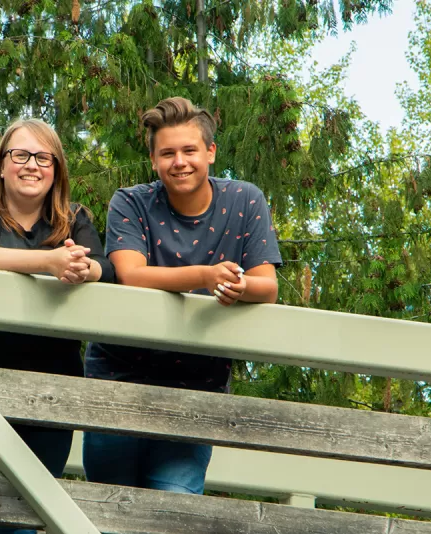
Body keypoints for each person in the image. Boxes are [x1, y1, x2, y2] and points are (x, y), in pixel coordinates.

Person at [83, 97, 282, 496]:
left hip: (197, 386)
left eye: (189, 150)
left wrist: (239, 287)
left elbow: (267, 286)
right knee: (110, 511)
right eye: (167, 153)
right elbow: (131, 275)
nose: (180, 162)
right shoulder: (131, 201)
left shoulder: (245, 200)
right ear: (154, 160)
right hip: (119, 378)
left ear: (210, 152)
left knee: (175, 510)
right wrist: (207, 276)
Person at [0, 118, 115, 534]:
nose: (32, 165)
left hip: (50, 397)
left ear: (56, 170)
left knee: (27, 525)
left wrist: (82, 268)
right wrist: (48, 264)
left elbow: (107, 269)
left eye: (43, 157)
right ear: (1, 165)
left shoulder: (75, 220)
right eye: (20, 155)